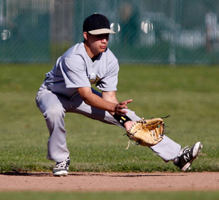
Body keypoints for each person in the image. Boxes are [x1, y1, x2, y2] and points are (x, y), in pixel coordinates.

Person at [35, 13, 203, 176]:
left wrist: (124, 120)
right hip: (53, 93)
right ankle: (61, 159)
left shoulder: (110, 60)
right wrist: (113, 108)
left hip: (78, 97)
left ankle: (178, 156)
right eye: (98, 35)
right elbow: (87, 95)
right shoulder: (73, 58)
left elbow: (109, 99)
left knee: (129, 116)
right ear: (86, 36)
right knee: (54, 111)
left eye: (106, 35)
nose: (104, 40)